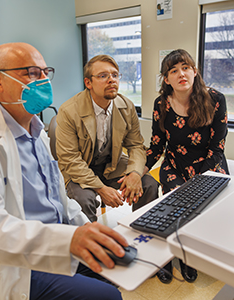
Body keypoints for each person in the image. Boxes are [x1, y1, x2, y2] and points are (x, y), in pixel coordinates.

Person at [0, 43, 128, 300]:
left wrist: (88, 231)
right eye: (31, 73)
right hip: (16, 263)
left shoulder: (37, 132)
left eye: (45, 72)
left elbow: (59, 200)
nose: (43, 81)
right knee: (106, 297)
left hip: (55, 241)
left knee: (118, 265)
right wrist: (67, 240)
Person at [144, 49, 229, 284]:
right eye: (174, 70)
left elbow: (217, 148)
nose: (181, 74)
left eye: (186, 68)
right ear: (166, 78)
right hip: (176, 164)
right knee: (175, 208)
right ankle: (173, 256)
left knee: (205, 207)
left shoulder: (215, 99)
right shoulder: (161, 104)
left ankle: (191, 255)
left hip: (208, 164)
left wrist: (198, 179)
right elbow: (157, 144)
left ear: (195, 72)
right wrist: (139, 169)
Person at [55, 54, 159, 222]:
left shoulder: (127, 106)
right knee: (83, 199)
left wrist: (134, 173)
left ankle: (143, 230)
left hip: (111, 165)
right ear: (88, 83)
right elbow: (70, 159)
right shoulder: (69, 111)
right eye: (103, 76)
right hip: (79, 168)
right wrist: (101, 189)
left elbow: (136, 145)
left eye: (115, 75)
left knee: (149, 185)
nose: (111, 80)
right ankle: (90, 244)